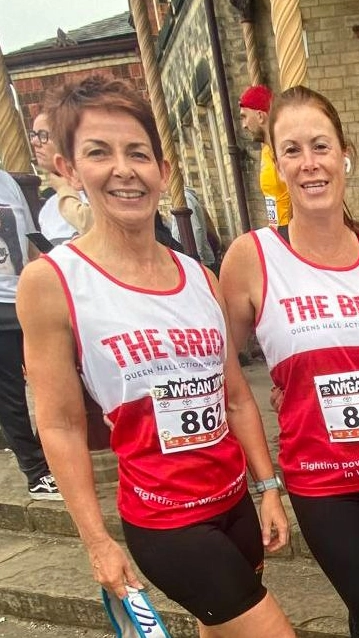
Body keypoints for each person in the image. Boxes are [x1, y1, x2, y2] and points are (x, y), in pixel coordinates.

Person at [16, 75, 295, 637]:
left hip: (234, 503)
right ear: (68, 168)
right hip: (166, 523)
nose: (124, 169)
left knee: (217, 629)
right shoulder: (53, 282)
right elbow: (62, 423)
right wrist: (97, 542)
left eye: (138, 153)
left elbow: (236, 398)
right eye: (100, 152)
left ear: (162, 172)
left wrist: (267, 490)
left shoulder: (199, 277)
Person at [220, 86, 359, 638]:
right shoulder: (252, 257)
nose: (309, 163)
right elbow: (216, 370)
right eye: (291, 150)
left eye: (320, 146)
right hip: (324, 485)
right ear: (278, 165)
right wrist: (263, 482)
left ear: (343, 154)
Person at [0, 168, 61, 501]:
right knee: (9, 393)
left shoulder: (7, 181)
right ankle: (36, 472)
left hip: (25, 292)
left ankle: (53, 457)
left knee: (52, 379)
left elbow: (29, 236)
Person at [31, 112, 90, 243]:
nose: (34, 142)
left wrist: (64, 189)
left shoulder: (96, 192)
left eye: (42, 135)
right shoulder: (48, 209)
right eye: (34, 135)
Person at [240, 85, 291, 226]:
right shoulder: (266, 151)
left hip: (294, 232)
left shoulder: (287, 150)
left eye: (244, 117)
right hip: (277, 231)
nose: (244, 125)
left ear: (260, 116)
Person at [172, 187, 222, 274]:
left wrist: (196, 260)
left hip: (199, 262)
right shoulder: (185, 198)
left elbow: (195, 229)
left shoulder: (185, 198)